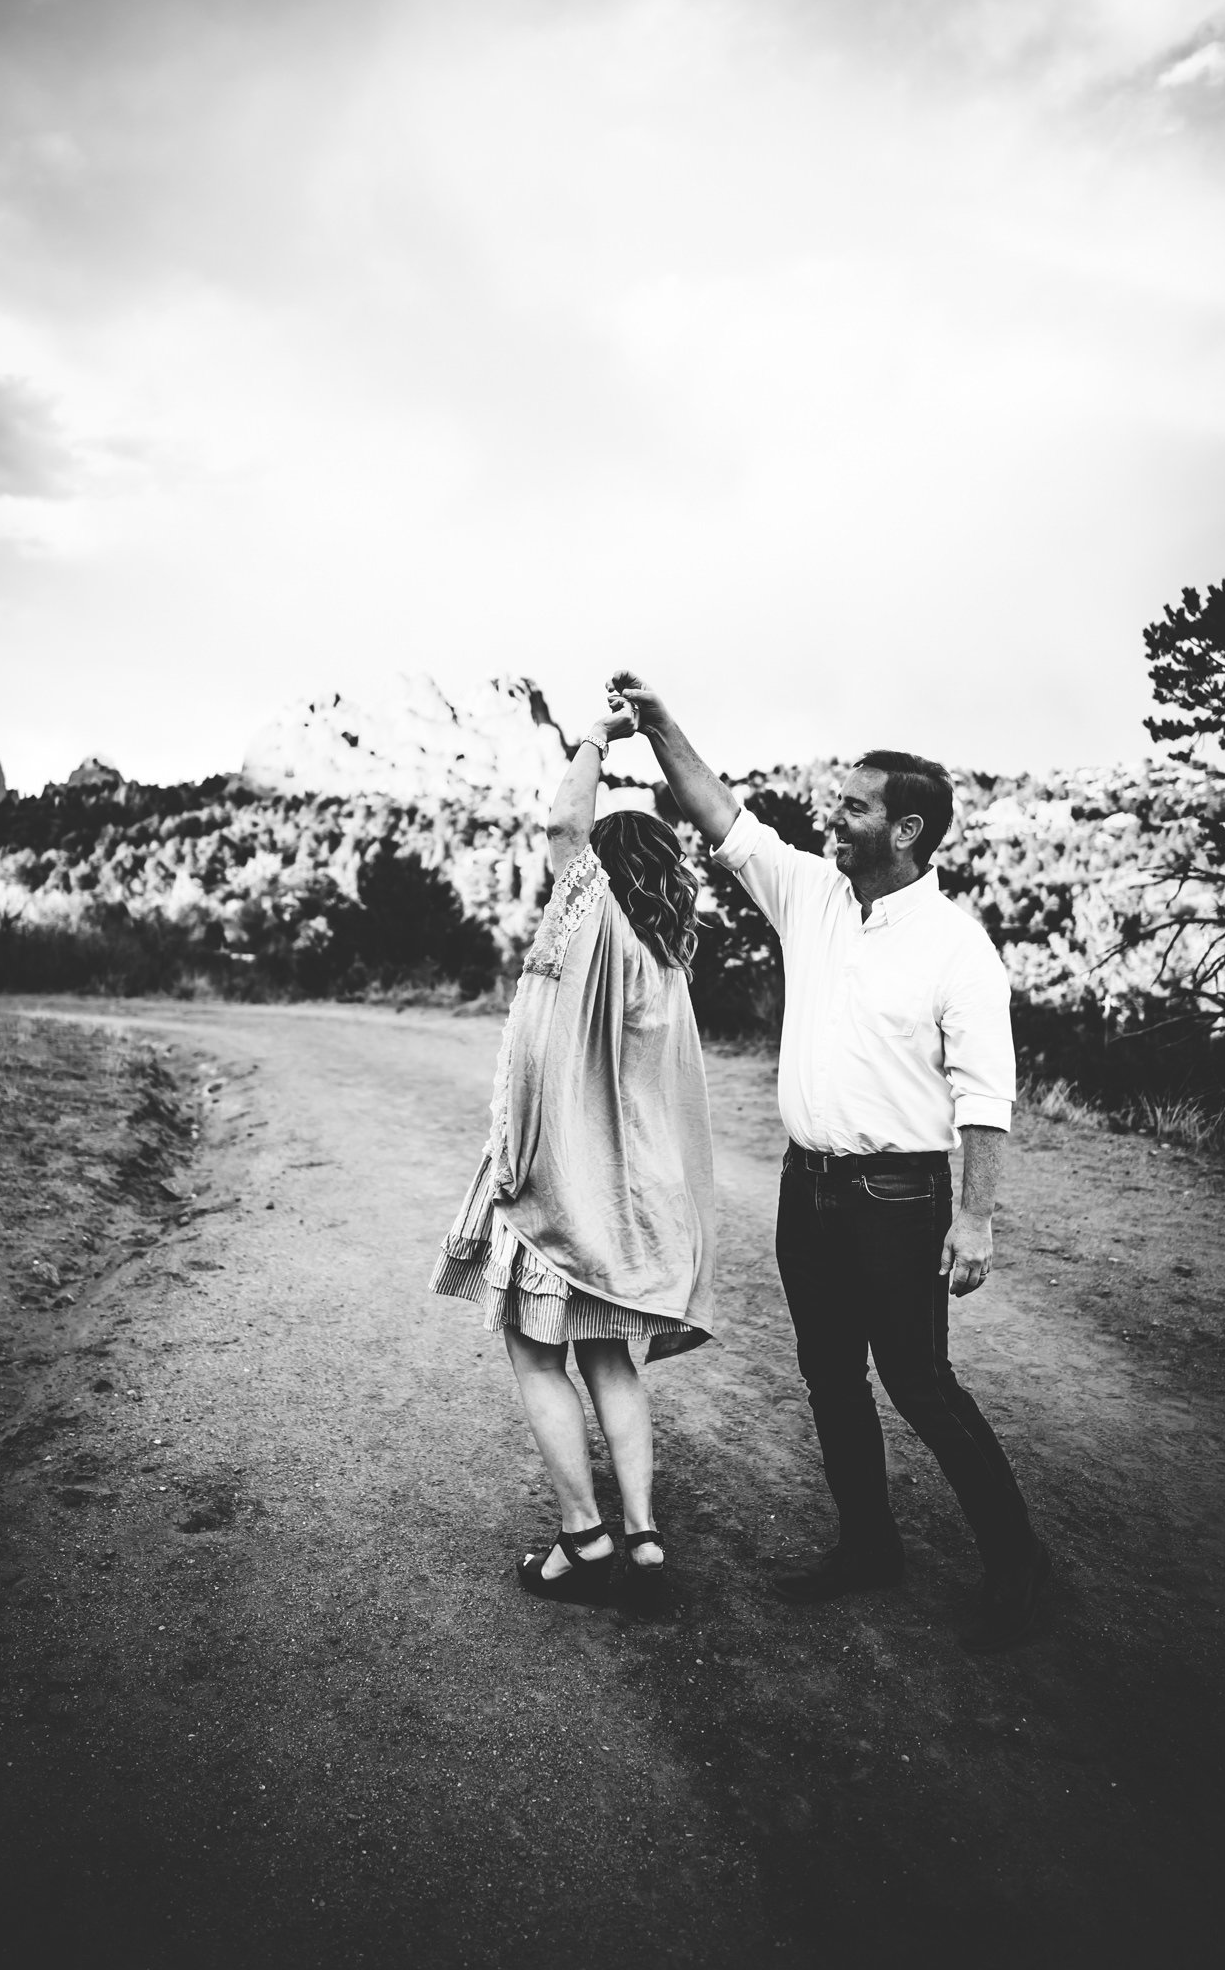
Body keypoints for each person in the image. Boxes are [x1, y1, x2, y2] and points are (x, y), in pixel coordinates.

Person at [609, 669, 1048, 1654]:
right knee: (828, 1373)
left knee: (919, 1380)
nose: (829, 813)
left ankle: (1017, 1557)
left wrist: (973, 1215)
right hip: (805, 1189)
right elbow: (720, 812)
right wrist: (659, 721)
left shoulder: (955, 947)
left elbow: (984, 1096)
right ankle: (867, 1544)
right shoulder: (809, 892)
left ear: (907, 831)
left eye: (851, 804)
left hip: (899, 1196)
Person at [428, 695, 716, 1605]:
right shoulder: (666, 959)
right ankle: (643, 1542)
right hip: (634, 1198)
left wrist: (593, 737)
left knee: (534, 1354)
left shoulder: (586, 922)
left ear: (599, 867)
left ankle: (581, 1542)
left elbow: (560, 818)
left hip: (560, 1186)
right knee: (608, 1361)